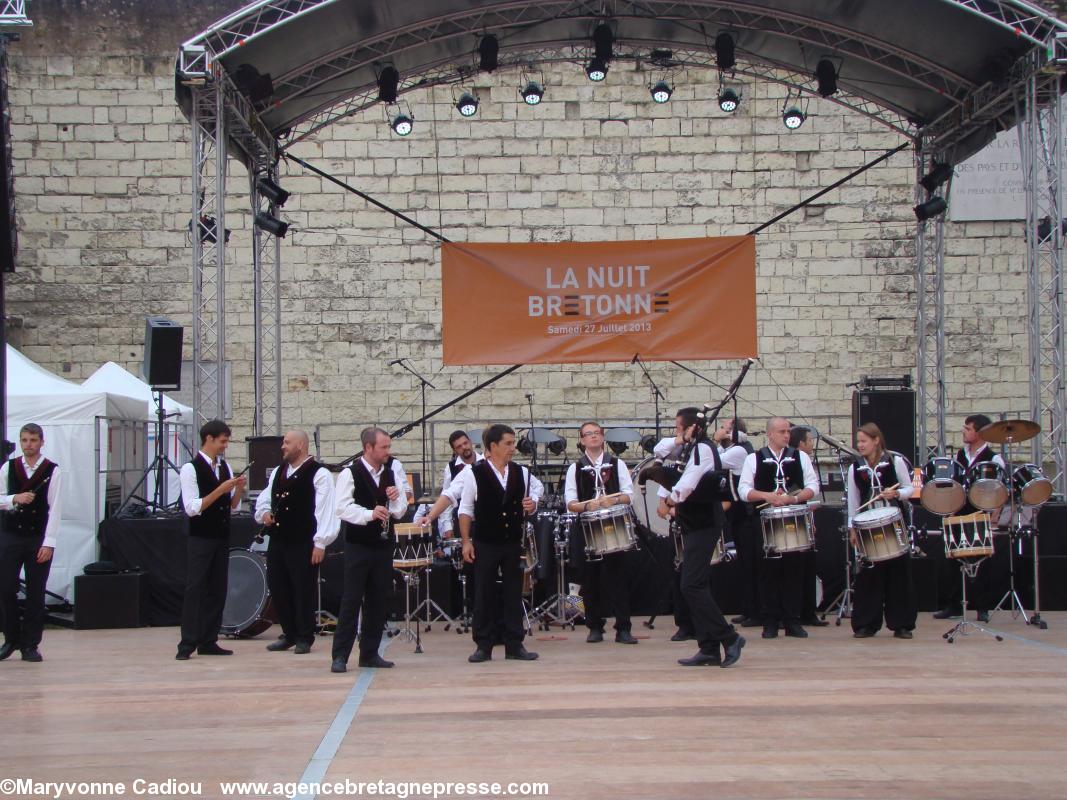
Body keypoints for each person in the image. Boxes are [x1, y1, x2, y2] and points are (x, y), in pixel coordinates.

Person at [663, 409, 746, 668]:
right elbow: (659, 450)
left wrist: (671, 499)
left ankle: (729, 637)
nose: (677, 432)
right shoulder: (690, 447)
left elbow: (689, 482)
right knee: (696, 584)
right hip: (693, 523)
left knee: (691, 585)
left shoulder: (703, 449)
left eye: (680, 428)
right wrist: (679, 439)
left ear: (693, 428)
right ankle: (708, 648)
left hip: (705, 523)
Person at [459, 424, 543, 663]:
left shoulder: (521, 472)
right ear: (493, 446)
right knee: (484, 592)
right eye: (508, 443)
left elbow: (537, 489)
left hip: (512, 542)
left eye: (513, 443)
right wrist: (466, 541)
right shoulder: (474, 473)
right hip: (486, 542)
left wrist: (533, 503)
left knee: (513, 592)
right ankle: (483, 645)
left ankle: (514, 644)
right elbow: (465, 509)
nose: (513, 448)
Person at [330, 427, 409, 673]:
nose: (388, 451)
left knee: (378, 598)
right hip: (358, 544)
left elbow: (401, 509)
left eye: (388, 447)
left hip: (383, 545)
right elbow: (342, 508)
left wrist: (394, 498)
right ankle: (340, 655)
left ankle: (370, 653)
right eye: (383, 447)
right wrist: (369, 514)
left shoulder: (392, 471)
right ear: (368, 448)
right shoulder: (350, 473)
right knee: (352, 599)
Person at [254, 430, 338, 655]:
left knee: (302, 589)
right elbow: (266, 497)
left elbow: (325, 510)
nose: (283, 446)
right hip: (279, 539)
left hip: (303, 541)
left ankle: (304, 635)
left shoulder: (319, 473)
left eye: (287, 442)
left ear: (300, 445)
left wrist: (320, 543)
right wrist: (264, 513)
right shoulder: (279, 471)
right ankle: (289, 633)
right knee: (279, 586)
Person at [738, 417, 820, 640]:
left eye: (788, 431)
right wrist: (767, 496)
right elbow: (743, 490)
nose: (786, 435)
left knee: (794, 570)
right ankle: (770, 621)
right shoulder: (754, 459)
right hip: (765, 521)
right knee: (768, 571)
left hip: (794, 519)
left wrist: (794, 499)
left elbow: (813, 486)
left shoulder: (800, 457)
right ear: (770, 434)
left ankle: (793, 620)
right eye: (782, 431)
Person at [176, 419, 246, 660]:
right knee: (195, 588)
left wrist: (238, 489)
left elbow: (233, 507)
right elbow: (192, 507)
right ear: (209, 439)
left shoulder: (224, 467)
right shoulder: (191, 468)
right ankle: (187, 642)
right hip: (201, 537)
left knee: (217, 588)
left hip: (220, 535)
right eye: (223, 441)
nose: (225, 446)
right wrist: (220, 489)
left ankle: (209, 639)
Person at [565, 421, 636, 644]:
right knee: (590, 580)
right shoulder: (575, 468)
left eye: (597, 433)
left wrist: (613, 500)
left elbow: (629, 495)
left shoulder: (617, 463)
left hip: (613, 526)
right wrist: (587, 505)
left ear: (603, 437)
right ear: (582, 440)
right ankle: (594, 626)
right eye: (589, 434)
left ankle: (623, 628)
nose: (593, 436)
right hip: (587, 528)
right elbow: (570, 503)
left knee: (618, 578)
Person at [847, 422, 917, 639]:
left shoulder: (894, 461)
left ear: (876, 440)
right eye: (858, 441)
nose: (860, 445)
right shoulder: (855, 468)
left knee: (898, 574)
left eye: (864, 441)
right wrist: (852, 528)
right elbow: (853, 501)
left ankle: (902, 624)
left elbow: (910, 488)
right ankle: (866, 623)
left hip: (893, 523)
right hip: (868, 526)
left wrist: (896, 494)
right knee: (869, 574)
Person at [933, 414, 1005, 622]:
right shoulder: (960, 455)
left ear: (979, 432)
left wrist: (994, 516)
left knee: (982, 560)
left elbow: (1000, 490)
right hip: (960, 511)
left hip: (981, 512)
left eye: (968, 428)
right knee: (954, 559)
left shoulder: (993, 459)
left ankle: (982, 606)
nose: (963, 431)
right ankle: (954, 605)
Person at [0, 424, 62, 663]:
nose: (29, 444)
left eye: (33, 440)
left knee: (36, 592)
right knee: (6, 587)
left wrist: (49, 543)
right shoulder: (9, 467)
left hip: (37, 537)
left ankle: (30, 644)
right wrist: (14, 498)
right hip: (11, 536)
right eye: (25, 440)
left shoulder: (52, 470)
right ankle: (11, 638)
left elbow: (55, 508)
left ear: (41, 442)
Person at [712, 417, 761, 628]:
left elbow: (712, 461)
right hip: (737, 516)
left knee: (751, 563)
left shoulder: (739, 451)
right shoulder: (732, 449)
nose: (720, 430)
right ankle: (748, 609)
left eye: (724, 427)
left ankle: (756, 611)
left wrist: (716, 439)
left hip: (746, 515)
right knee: (744, 563)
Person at [789, 425, 829, 628]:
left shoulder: (803, 460)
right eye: (810, 440)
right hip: (794, 516)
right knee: (802, 566)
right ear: (801, 443)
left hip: (804, 514)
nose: (812, 444)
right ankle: (802, 612)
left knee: (807, 564)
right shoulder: (797, 459)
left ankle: (806, 611)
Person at [415, 430, 482, 540]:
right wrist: (447, 526)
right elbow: (448, 495)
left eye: (465, 443)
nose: (464, 447)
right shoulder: (451, 468)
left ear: (470, 442)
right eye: (459, 446)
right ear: (455, 450)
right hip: (462, 522)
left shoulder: (485, 462)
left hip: (484, 520)